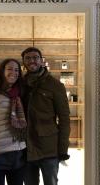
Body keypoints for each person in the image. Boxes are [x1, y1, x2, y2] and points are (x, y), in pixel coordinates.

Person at [21, 47, 70, 185]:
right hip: (25, 147)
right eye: (28, 58)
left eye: (35, 57)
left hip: (49, 148)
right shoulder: (20, 84)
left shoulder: (55, 85)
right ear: (23, 62)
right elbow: (2, 88)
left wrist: (62, 149)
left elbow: (64, 119)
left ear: (41, 61)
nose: (32, 61)